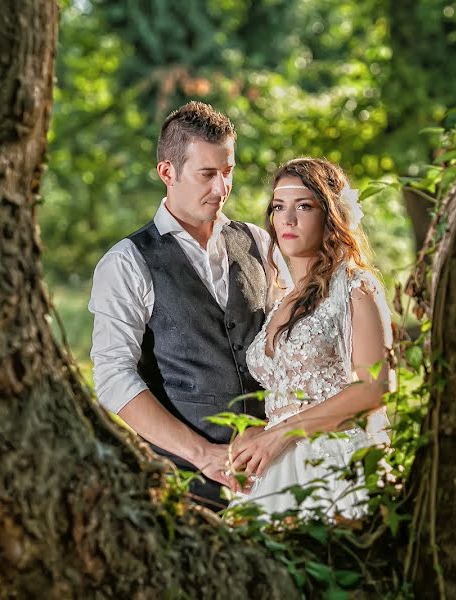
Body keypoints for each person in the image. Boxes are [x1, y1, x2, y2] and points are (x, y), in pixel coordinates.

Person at [88, 101, 290, 509]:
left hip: (275, 472)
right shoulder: (127, 262)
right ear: (168, 172)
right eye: (207, 174)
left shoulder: (258, 242)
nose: (222, 188)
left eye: (228, 171)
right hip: (185, 486)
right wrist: (204, 455)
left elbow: (286, 347)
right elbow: (113, 377)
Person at [227, 157, 393, 518]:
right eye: (279, 207)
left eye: (304, 206)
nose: (287, 219)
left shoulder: (355, 287)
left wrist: (282, 433)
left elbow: (375, 387)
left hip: (333, 460)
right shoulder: (279, 299)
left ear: (330, 216)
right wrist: (260, 432)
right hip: (274, 468)